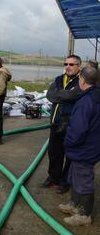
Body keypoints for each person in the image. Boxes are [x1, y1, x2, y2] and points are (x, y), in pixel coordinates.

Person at [59, 66, 100, 226]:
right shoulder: (95, 95)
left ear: (82, 79)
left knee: (84, 181)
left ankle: (85, 215)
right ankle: (74, 205)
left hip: (84, 149)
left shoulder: (86, 101)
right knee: (74, 176)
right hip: (91, 146)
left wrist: (67, 141)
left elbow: (78, 130)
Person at [43, 55, 82, 194]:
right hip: (55, 123)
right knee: (54, 152)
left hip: (71, 125)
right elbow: (49, 95)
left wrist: (61, 95)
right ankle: (53, 177)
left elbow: (74, 95)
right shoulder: (59, 79)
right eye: (66, 63)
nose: (68, 66)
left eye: (72, 64)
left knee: (70, 155)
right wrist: (65, 95)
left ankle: (65, 181)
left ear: (79, 66)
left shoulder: (81, 81)